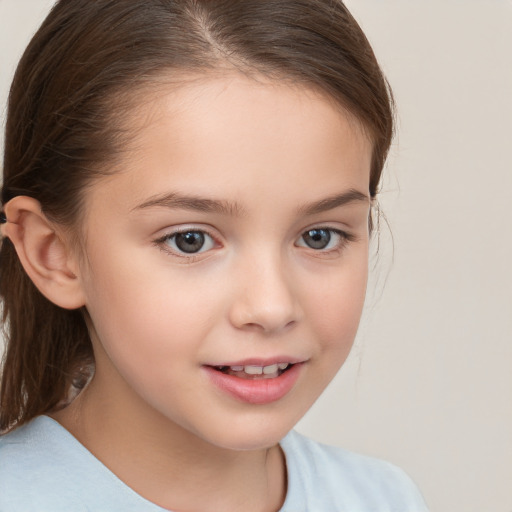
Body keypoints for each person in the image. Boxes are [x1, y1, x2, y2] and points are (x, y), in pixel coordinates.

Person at [0, 1, 428, 510]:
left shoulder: (383, 499)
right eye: (190, 240)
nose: (272, 307)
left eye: (319, 236)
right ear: (55, 253)